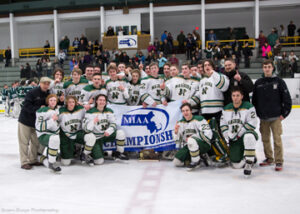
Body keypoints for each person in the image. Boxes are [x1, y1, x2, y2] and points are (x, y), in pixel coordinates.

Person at [252, 60, 292, 171]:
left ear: (272, 68)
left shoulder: (279, 81)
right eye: (265, 67)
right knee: (265, 139)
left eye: (269, 67)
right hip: (263, 118)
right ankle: (269, 158)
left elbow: (287, 99)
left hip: (276, 117)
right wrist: (257, 113)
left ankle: (279, 161)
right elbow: (254, 100)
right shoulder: (258, 82)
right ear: (262, 68)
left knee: (277, 140)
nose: (267, 69)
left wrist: (284, 114)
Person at [220, 88, 258, 176]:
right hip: (234, 138)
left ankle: (249, 162)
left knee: (249, 136)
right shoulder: (226, 109)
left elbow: (252, 123)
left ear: (242, 96)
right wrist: (228, 134)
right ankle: (250, 156)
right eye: (233, 96)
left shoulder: (248, 106)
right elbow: (223, 124)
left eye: (238, 95)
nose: (235, 98)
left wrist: (239, 134)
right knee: (236, 164)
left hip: (245, 134)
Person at [82, 94, 129, 165]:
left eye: (104, 100)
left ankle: (118, 153)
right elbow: (86, 129)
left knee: (120, 133)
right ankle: (87, 153)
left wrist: (109, 131)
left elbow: (114, 123)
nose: (102, 102)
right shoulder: (90, 112)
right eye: (100, 100)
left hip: (105, 135)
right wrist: (93, 121)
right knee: (99, 161)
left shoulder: (109, 111)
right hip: (96, 138)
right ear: (96, 101)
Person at [18, 77, 51, 170]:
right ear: (40, 83)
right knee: (24, 142)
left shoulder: (47, 94)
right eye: (44, 83)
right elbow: (26, 106)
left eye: (48, 84)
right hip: (25, 121)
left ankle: (32, 159)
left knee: (36, 142)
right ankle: (24, 161)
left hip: (36, 123)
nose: (46, 85)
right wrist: (38, 108)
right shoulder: (32, 92)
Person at [173, 103, 213, 170]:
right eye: (183, 111)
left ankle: (195, 161)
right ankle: (200, 157)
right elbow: (178, 142)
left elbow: (208, 134)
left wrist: (193, 137)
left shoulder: (200, 119)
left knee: (191, 140)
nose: (185, 112)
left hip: (203, 144)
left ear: (191, 111)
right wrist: (176, 132)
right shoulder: (180, 123)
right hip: (189, 146)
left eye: (187, 110)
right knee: (176, 162)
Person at [35, 94, 61, 172]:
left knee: (54, 156)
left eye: (54, 100)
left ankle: (41, 158)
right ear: (47, 101)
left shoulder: (57, 110)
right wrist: (52, 120)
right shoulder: (42, 110)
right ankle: (52, 163)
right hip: (43, 135)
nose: (53, 102)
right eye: (51, 100)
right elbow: (39, 126)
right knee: (55, 139)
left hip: (54, 134)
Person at [58, 95, 85, 166]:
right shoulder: (61, 111)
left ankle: (83, 150)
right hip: (66, 135)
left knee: (89, 137)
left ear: (76, 103)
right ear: (66, 103)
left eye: (73, 102)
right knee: (66, 163)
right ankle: (71, 150)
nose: (71, 104)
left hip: (78, 133)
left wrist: (85, 104)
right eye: (69, 102)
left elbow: (92, 107)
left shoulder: (80, 109)